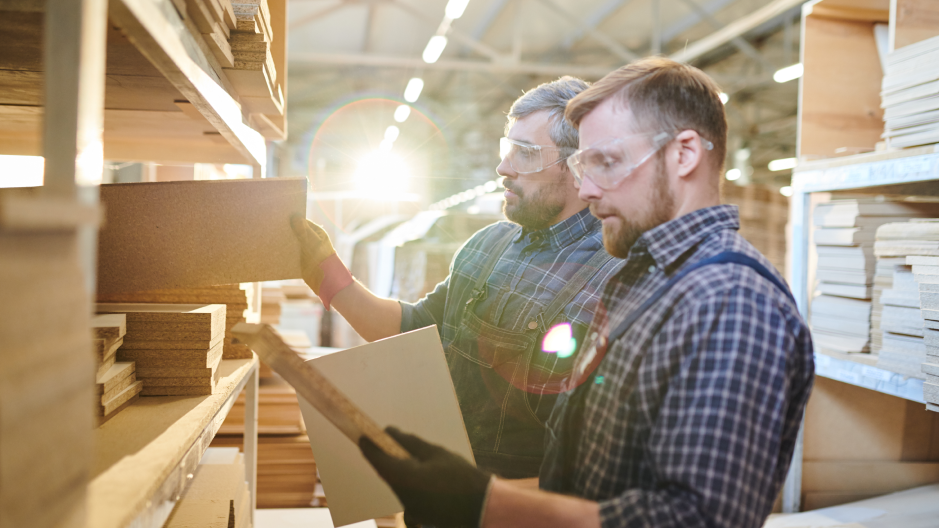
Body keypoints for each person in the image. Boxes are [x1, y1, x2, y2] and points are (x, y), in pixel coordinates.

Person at [358, 57, 815, 528]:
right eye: (582, 165)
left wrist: (487, 504)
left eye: (607, 163)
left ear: (684, 155)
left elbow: (695, 519)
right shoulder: (649, 279)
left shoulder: (730, 302)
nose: (588, 188)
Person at [292, 77, 625, 479]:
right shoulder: (488, 245)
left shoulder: (616, 278)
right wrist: (327, 273)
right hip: (448, 491)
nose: (503, 167)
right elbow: (413, 331)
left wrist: (475, 503)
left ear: (579, 167)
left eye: (526, 153)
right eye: (507, 149)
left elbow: (598, 467)